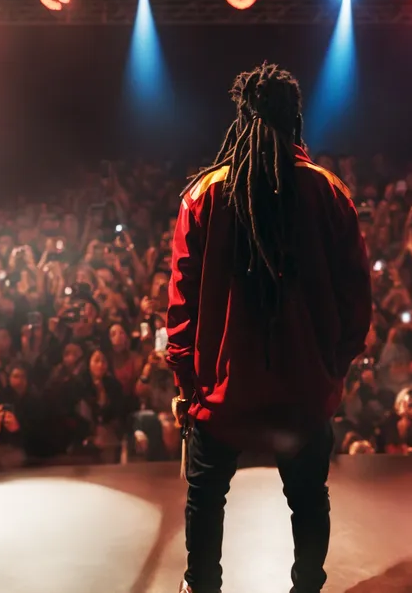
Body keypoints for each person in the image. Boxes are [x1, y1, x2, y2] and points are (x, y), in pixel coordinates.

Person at [166, 62, 372, 593]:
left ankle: (201, 587)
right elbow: (357, 302)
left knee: (206, 497)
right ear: (297, 117)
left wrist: (187, 388)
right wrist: (330, 368)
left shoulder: (203, 195)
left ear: (240, 118)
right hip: (303, 389)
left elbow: (181, 310)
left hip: (222, 391)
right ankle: (307, 587)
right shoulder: (328, 193)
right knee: (308, 499)